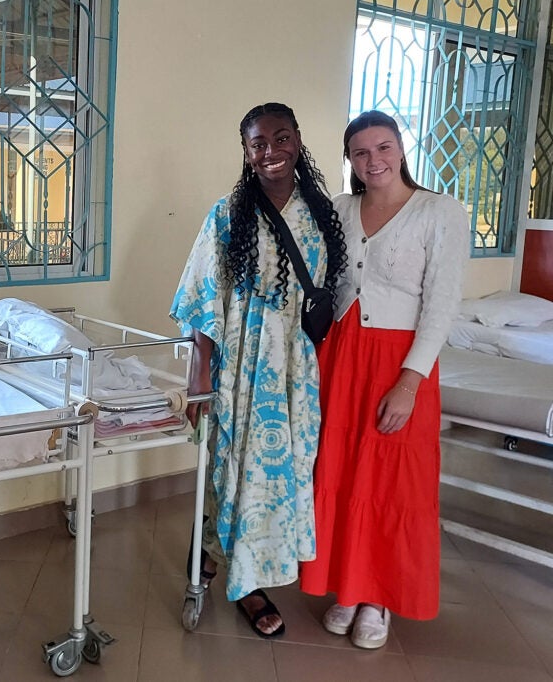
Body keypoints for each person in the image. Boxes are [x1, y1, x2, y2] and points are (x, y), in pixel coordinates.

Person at [171, 102, 347, 637]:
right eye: (257, 144)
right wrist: (200, 375)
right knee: (237, 468)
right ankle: (246, 585)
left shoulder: (320, 213)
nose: (269, 151)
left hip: (297, 370)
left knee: (282, 474)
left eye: (280, 138)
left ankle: (207, 552)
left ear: (297, 141)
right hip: (241, 365)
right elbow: (202, 296)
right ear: (246, 153)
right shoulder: (228, 213)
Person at [299, 110, 469, 649]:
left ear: (400, 149)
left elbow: (442, 302)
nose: (374, 160)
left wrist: (410, 381)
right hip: (342, 355)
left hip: (398, 362)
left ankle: (378, 597)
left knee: (392, 480)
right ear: (349, 160)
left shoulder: (439, 211)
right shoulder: (341, 209)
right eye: (361, 152)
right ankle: (346, 587)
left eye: (384, 147)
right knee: (342, 469)